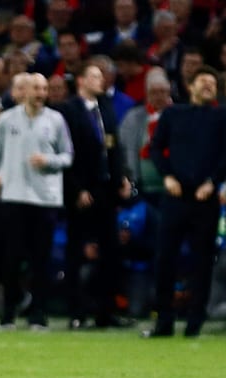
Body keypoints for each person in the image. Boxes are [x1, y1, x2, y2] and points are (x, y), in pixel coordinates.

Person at [144, 65, 226, 338]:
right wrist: (167, 176)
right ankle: (164, 320)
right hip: (175, 196)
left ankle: (195, 321)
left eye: (212, 83)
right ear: (190, 86)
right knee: (165, 258)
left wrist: (213, 182)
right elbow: (155, 148)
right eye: (203, 81)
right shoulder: (173, 114)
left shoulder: (223, 116)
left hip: (205, 198)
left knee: (202, 261)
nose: (208, 86)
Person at [0, 72, 74, 331]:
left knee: (41, 260)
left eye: (44, 89)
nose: (40, 93)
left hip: (45, 199)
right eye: (36, 88)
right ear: (24, 90)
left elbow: (68, 156)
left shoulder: (56, 120)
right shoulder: (6, 120)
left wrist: (48, 161)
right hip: (14, 196)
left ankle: (38, 315)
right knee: (11, 259)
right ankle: (8, 313)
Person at [59, 64, 133, 330]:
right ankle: (76, 312)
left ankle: (106, 311)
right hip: (82, 191)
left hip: (106, 190)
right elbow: (66, 152)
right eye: (94, 76)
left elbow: (114, 146)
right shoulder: (68, 110)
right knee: (76, 251)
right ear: (81, 80)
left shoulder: (106, 108)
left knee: (110, 251)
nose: (100, 81)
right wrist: (76, 189)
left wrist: (122, 177)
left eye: (101, 77)